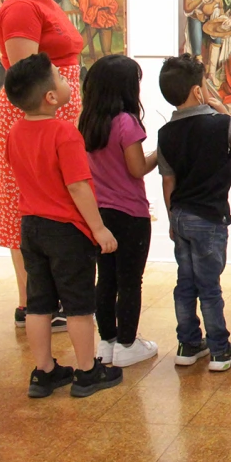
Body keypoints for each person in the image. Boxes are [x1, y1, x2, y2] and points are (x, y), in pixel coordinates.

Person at [2, 53, 122, 398]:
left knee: (38, 304)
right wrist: (98, 229)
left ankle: (44, 372)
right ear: (50, 97)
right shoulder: (64, 133)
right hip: (67, 232)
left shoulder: (15, 132)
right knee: (79, 305)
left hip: (31, 228)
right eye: (59, 76)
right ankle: (87, 371)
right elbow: (78, 186)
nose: (67, 79)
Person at [0, 0, 85, 329]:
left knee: (51, 205)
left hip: (55, 119)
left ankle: (43, 299)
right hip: (32, 122)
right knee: (28, 206)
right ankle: (32, 302)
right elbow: (27, 81)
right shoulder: (20, 8)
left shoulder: (44, 1)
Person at [157, 54, 231, 372]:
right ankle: (220, 350)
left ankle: (188, 344)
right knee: (209, 286)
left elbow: (168, 181)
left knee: (185, 282)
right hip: (209, 218)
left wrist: (171, 218)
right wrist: (226, 113)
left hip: (181, 215)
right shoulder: (220, 124)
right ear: (199, 91)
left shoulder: (165, 133)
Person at [79, 55, 159, 368]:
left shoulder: (88, 121)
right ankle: (128, 343)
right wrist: (159, 153)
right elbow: (137, 168)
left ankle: (107, 341)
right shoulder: (126, 122)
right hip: (130, 214)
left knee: (106, 279)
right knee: (130, 281)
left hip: (100, 213)